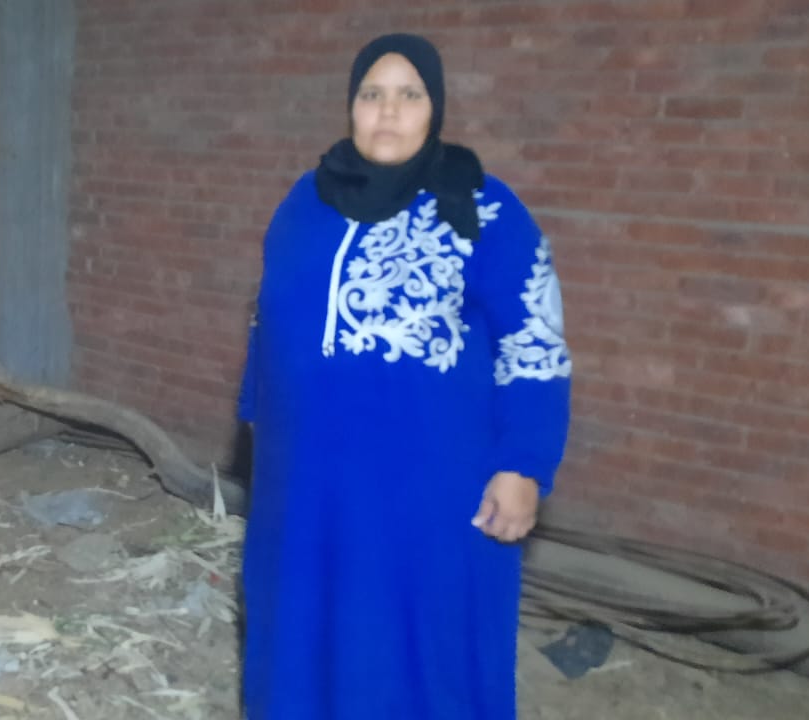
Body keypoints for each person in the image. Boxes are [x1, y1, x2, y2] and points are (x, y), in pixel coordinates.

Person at [235, 33, 572, 719]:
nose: (388, 111)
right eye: (372, 95)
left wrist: (523, 464)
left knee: (417, 640)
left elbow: (535, 341)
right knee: (303, 620)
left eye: (408, 95)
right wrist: (255, 419)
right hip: (307, 483)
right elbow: (268, 320)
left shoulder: (487, 210)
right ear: (351, 107)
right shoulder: (305, 201)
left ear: (434, 107)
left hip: (428, 489)